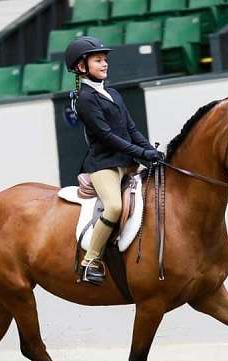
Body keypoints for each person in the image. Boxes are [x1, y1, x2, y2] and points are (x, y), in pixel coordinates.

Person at [64, 36, 161, 286]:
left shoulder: (113, 93)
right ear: (81, 67)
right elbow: (107, 137)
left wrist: (149, 149)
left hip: (127, 163)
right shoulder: (85, 99)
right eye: (98, 60)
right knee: (115, 208)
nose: (104, 64)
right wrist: (141, 153)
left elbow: (130, 128)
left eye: (105, 59)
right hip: (103, 165)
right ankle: (90, 262)